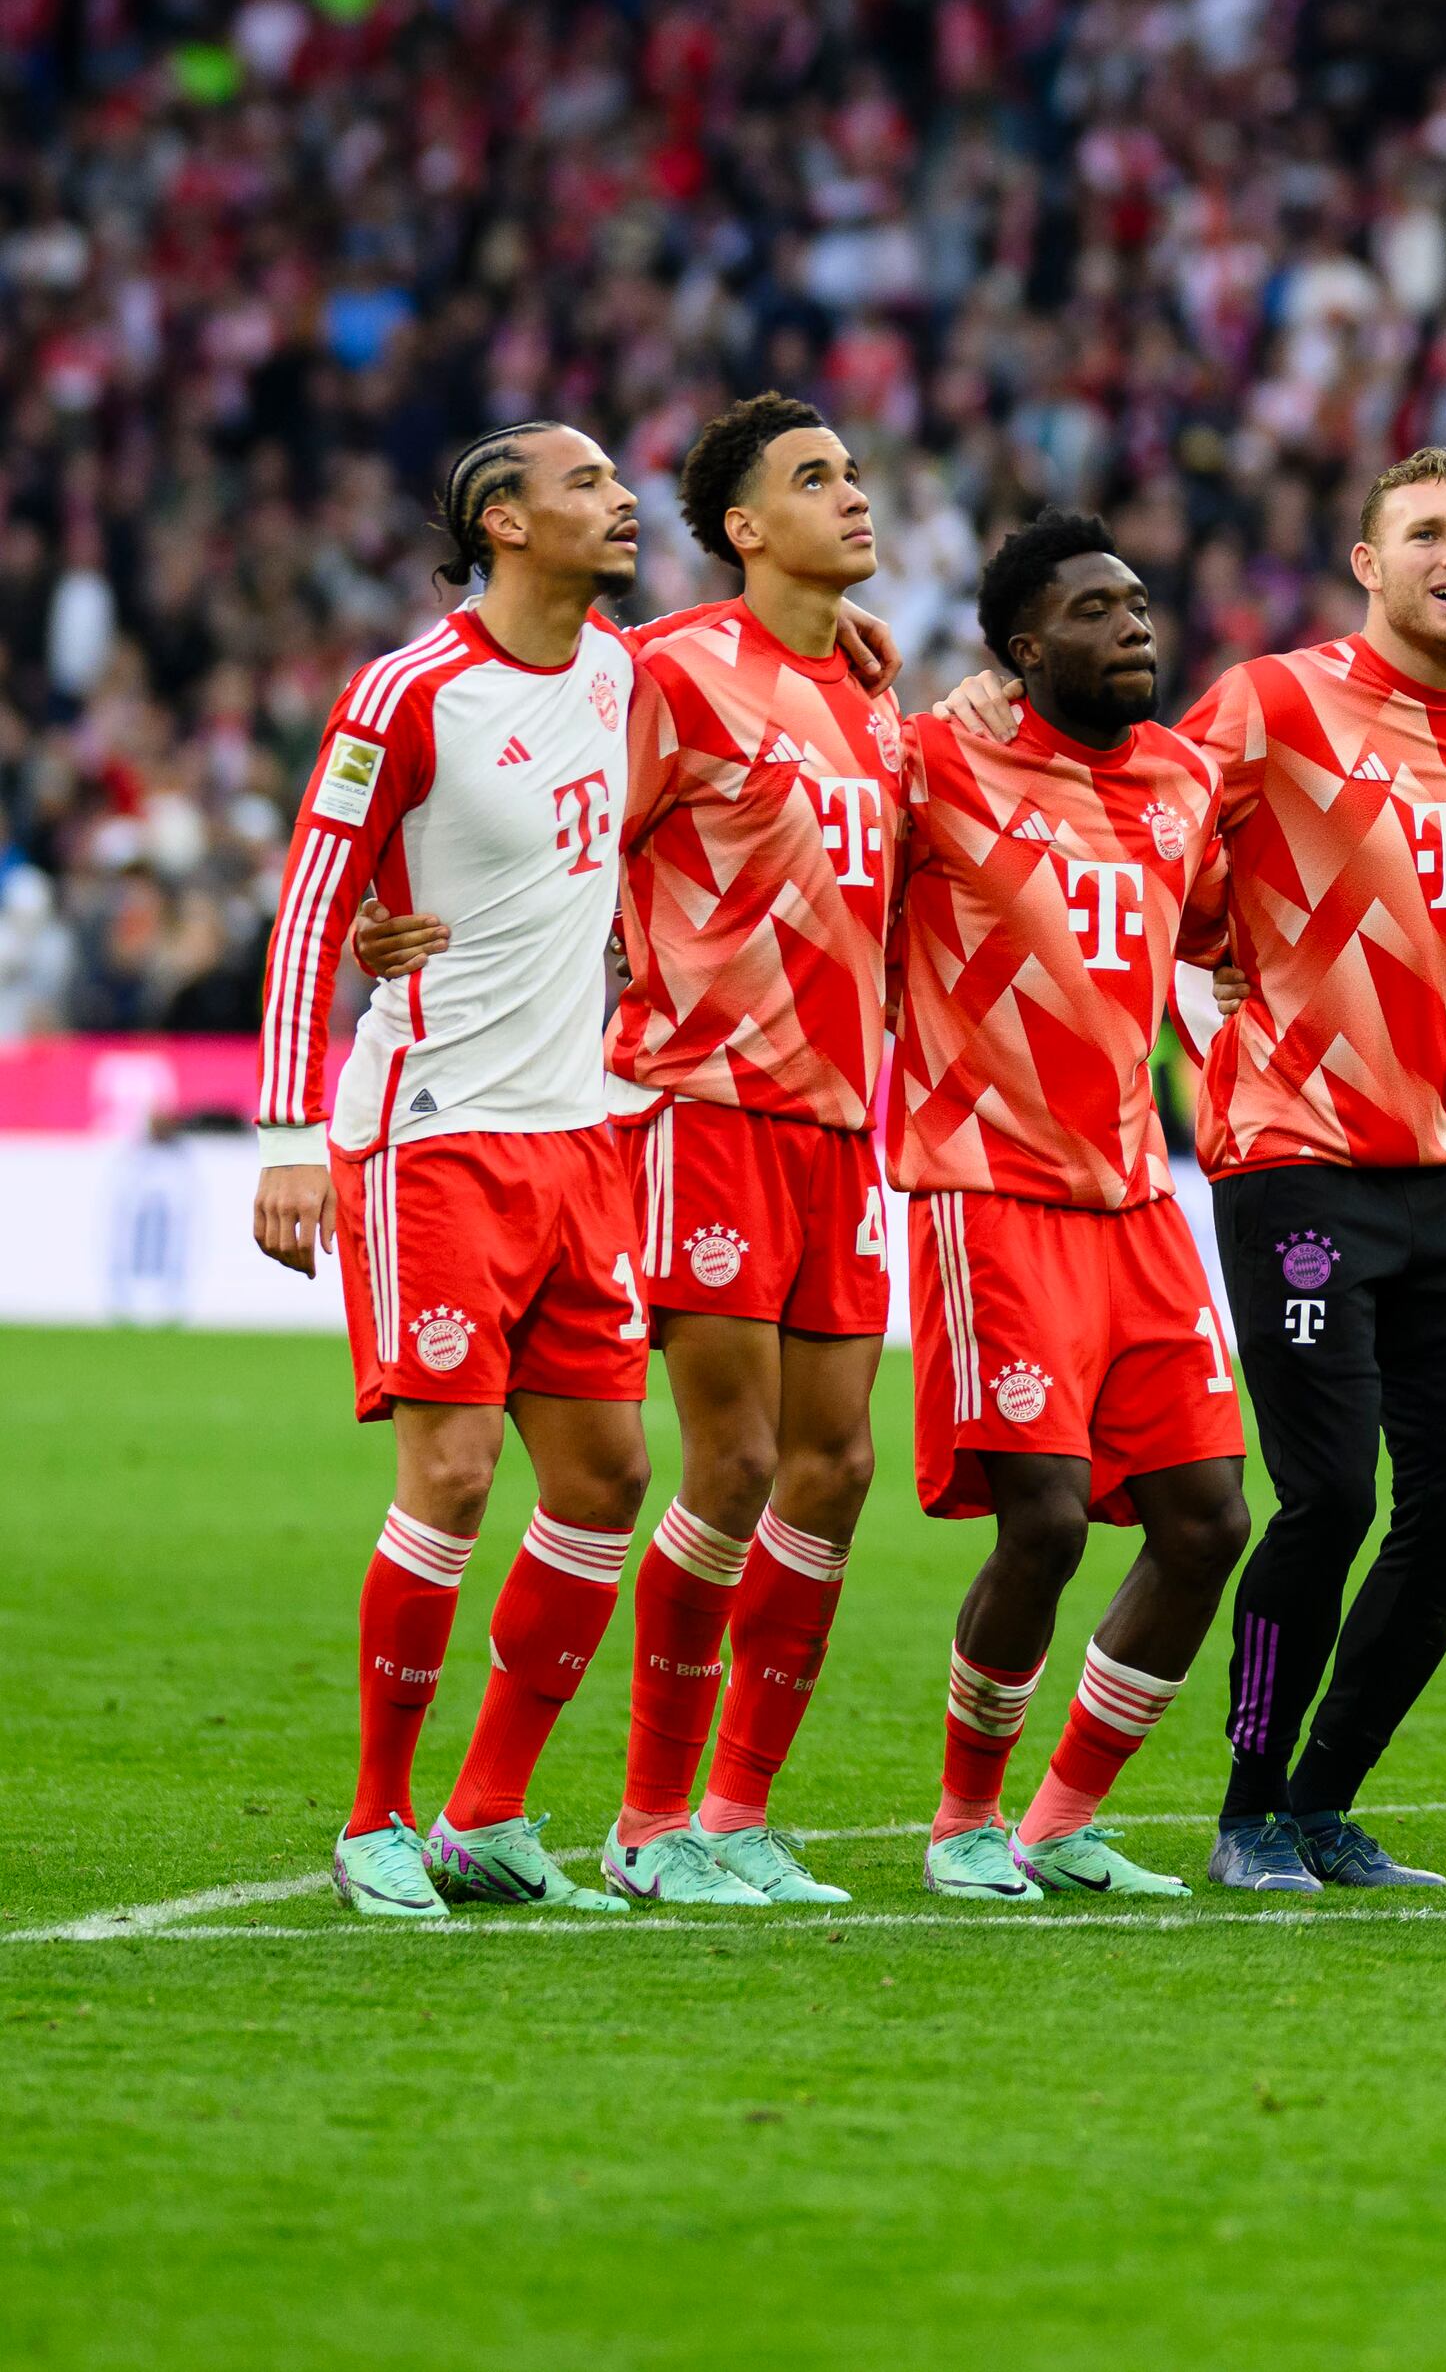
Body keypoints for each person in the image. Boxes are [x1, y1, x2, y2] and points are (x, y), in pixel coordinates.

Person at [254, 425, 655, 1918]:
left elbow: (759, 673)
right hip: (431, 1129)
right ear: (503, 521)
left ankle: (486, 1819)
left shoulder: (620, 670)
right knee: (456, 1469)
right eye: (588, 484)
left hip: (582, 1132)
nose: (620, 502)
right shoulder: (407, 693)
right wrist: (294, 1139)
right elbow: (311, 910)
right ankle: (374, 1819)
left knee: (609, 1479)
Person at [1161, 447, 1446, 1891]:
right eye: (1426, 531)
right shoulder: (1269, 700)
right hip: (1298, 1164)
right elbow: (1156, 852)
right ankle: (1248, 1806)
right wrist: (1225, 990)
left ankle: (1323, 1799)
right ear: (1366, 564)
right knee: (1327, 1497)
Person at [884, 515, 1252, 1900]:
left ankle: (1059, 1818)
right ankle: (963, 1821)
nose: (1137, 625)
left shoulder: (1180, 781)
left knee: (1210, 1520)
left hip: (1135, 1197)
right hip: (986, 1189)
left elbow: (1219, 938)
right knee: (1037, 1516)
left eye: (1142, 603)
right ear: (1026, 649)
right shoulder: (935, 758)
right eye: (1097, 611)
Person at [591, 395, 906, 1908]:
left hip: (845, 1124)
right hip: (701, 1106)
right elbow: (561, 839)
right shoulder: (667, 674)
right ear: (741, 527)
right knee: (736, 1460)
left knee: (836, 1467)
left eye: (851, 472)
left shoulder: (872, 701)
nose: (852, 496)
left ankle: (736, 1816)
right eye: (813, 478)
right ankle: (649, 1824)